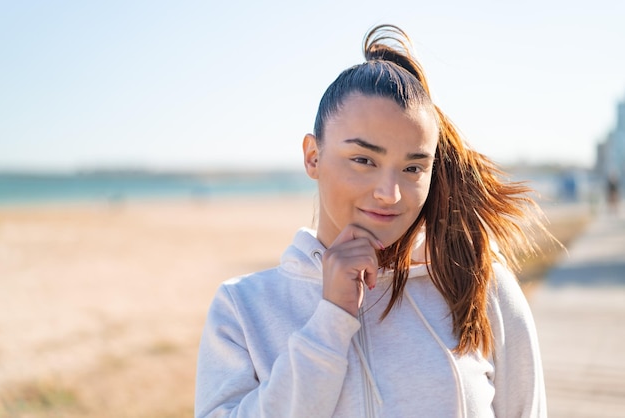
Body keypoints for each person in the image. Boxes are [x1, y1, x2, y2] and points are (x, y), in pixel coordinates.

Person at [196, 24, 551, 417]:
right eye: (364, 160)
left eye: (413, 168)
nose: (390, 193)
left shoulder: (479, 286)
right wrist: (330, 321)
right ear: (313, 156)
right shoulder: (244, 308)